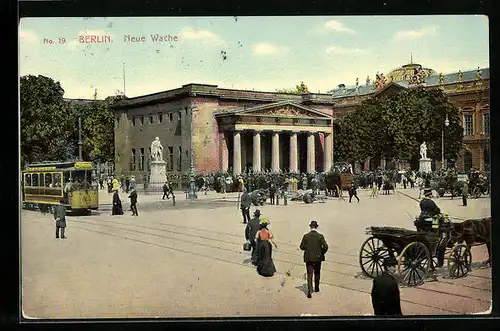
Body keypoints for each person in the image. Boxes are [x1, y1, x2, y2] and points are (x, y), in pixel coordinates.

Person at [299, 220, 329, 298]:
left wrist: (308, 248)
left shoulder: (306, 236)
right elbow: (326, 246)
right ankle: (316, 288)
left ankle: (309, 290)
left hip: (308, 257)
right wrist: (322, 253)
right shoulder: (320, 236)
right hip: (318, 257)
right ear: (316, 227)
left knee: (309, 274)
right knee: (317, 273)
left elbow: (301, 247)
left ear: (310, 227)